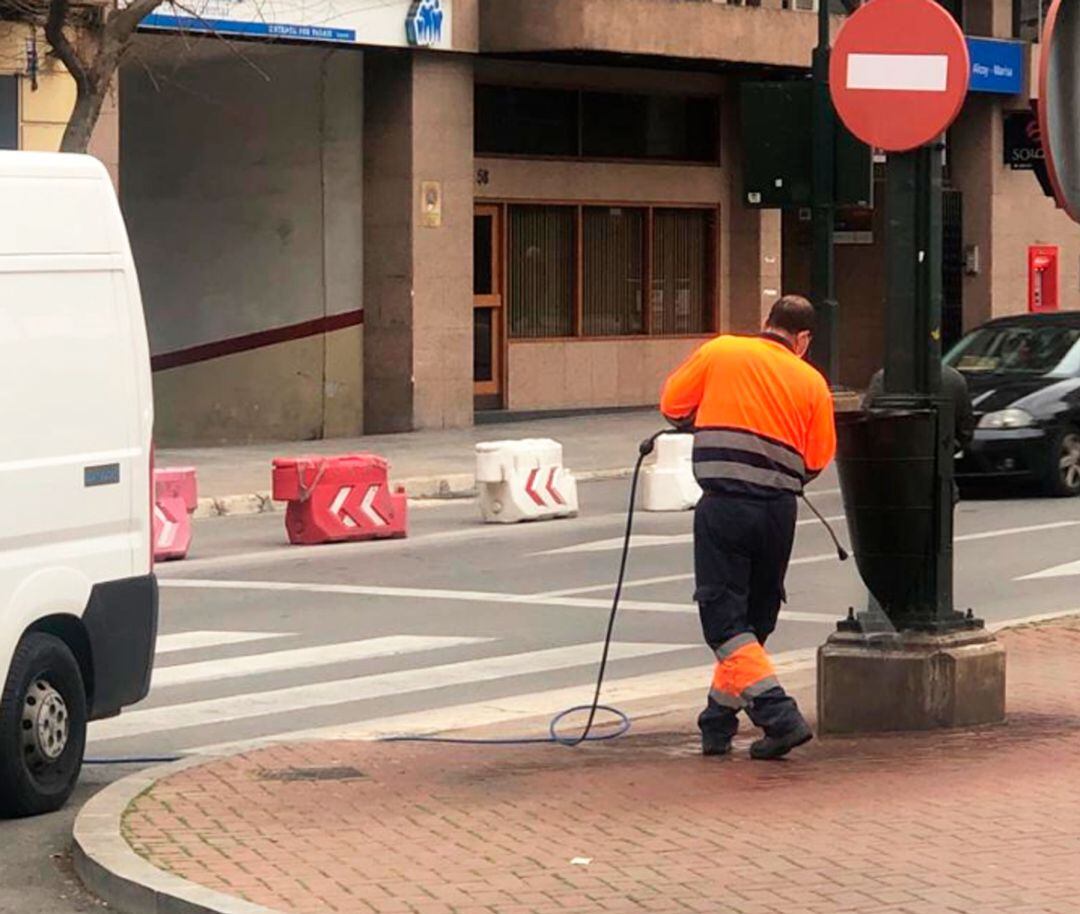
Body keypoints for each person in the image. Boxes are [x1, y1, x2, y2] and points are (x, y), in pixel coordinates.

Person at [660, 295, 837, 760]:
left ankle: (779, 716)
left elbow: (672, 405)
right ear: (803, 339)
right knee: (753, 624)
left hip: (725, 506)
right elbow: (818, 457)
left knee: (724, 624)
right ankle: (717, 722)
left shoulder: (723, 350)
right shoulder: (812, 381)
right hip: (779, 511)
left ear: (767, 322)